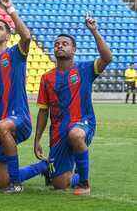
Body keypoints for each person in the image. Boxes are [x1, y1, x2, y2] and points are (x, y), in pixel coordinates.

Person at [0, 0, 51, 193]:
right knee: (1, 181)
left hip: (19, 118)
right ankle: (42, 167)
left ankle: (16, 184)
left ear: (8, 35)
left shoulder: (15, 54)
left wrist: (10, 9)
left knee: (3, 127)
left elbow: (26, 36)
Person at [34, 15, 112, 196]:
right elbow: (43, 111)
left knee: (76, 134)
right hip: (58, 132)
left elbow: (107, 58)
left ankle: (84, 183)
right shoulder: (46, 78)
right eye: (57, 44)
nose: (60, 45)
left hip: (82, 123)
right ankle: (60, 172)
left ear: (74, 49)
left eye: (65, 43)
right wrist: (37, 139)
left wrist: (94, 30)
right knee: (60, 184)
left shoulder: (84, 69)